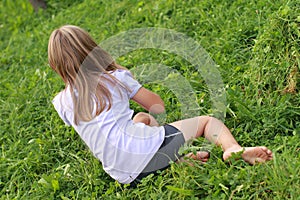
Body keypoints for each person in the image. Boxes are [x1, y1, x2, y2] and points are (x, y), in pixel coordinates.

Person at [48, 25, 273, 185]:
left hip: (125, 175)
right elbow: (156, 104)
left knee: (138, 121)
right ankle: (232, 149)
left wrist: (145, 124)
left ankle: (176, 160)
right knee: (206, 123)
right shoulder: (115, 78)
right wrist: (157, 126)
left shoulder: (61, 103)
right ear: (92, 49)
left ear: (57, 66)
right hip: (143, 149)